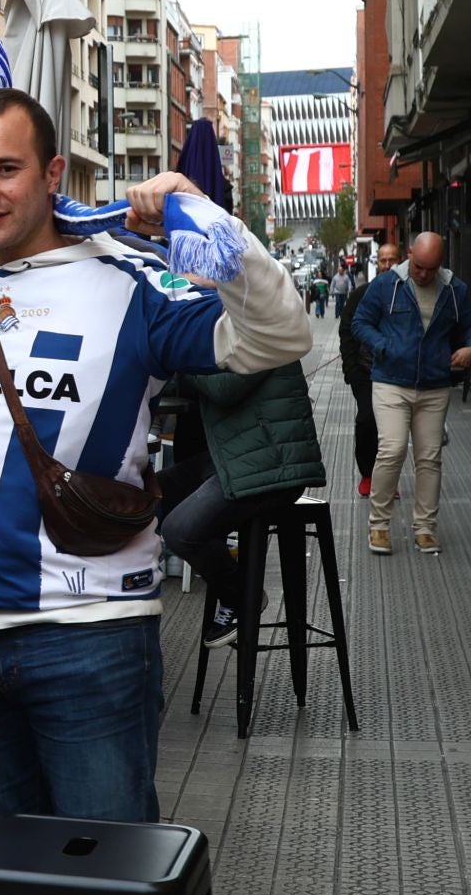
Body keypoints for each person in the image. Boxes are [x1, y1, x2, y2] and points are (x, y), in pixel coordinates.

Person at [0, 88, 308, 895]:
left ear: (54, 174)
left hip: (92, 638)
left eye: (7, 169)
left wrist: (205, 217)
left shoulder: (129, 278)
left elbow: (278, 333)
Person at [160, 363, 327, 648]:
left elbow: (223, 386)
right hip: (229, 458)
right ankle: (124, 602)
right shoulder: (227, 323)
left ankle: (240, 597)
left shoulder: (264, 321)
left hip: (272, 464)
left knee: (180, 530)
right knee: (141, 498)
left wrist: (177, 352)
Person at [350, 231, 471, 555]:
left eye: (431, 269)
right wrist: (381, 345)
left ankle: (425, 528)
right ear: (409, 255)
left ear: (440, 264)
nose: (423, 274)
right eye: (418, 266)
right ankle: (378, 525)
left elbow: (468, 326)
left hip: (434, 384)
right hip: (390, 380)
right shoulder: (387, 285)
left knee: (429, 457)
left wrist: (468, 348)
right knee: (391, 450)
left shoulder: (455, 290)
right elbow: (360, 322)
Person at [338, 243, 398, 496]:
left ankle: (387, 480)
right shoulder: (361, 294)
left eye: (391, 260)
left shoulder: (407, 294)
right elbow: (346, 332)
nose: (387, 265)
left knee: (392, 430)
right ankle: (368, 473)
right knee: (367, 420)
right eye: (383, 260)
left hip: (397, 373)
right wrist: (351, 370)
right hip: (365, 372)